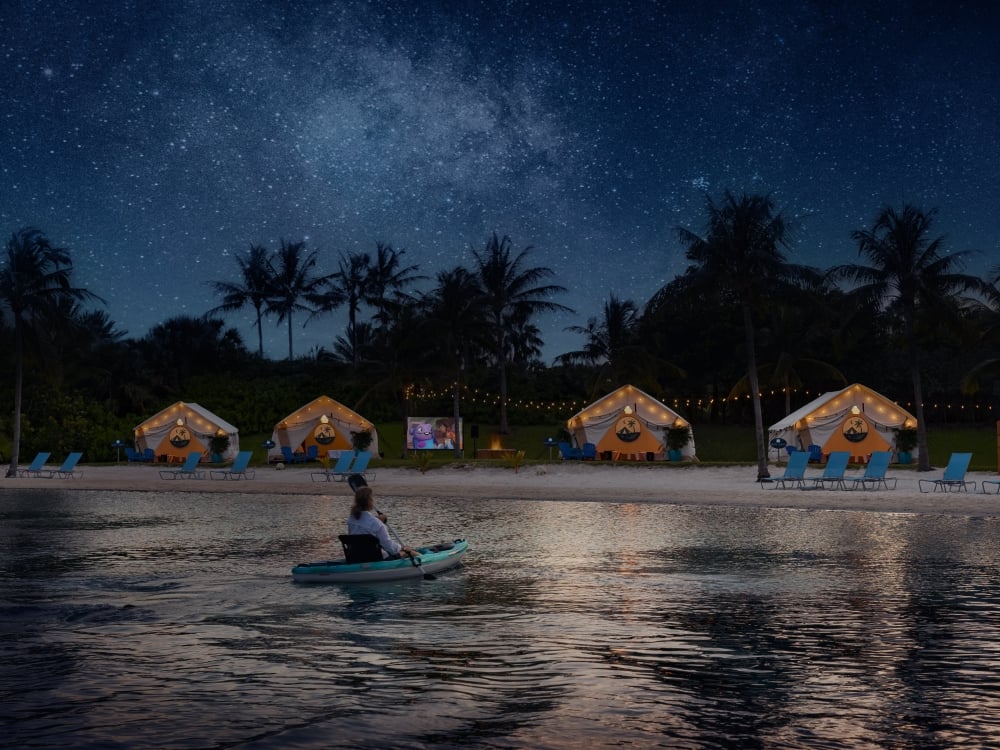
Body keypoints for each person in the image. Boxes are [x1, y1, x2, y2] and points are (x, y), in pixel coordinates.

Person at [347, 486, 416, 559]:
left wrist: (378, 519)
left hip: (356, 556)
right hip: (378, 558)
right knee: (410, 552)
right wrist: (402, 548)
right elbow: (390, 547)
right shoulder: (377, 524)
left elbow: (364, 524)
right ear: (370, 501)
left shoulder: (351, 519)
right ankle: (424, 558)